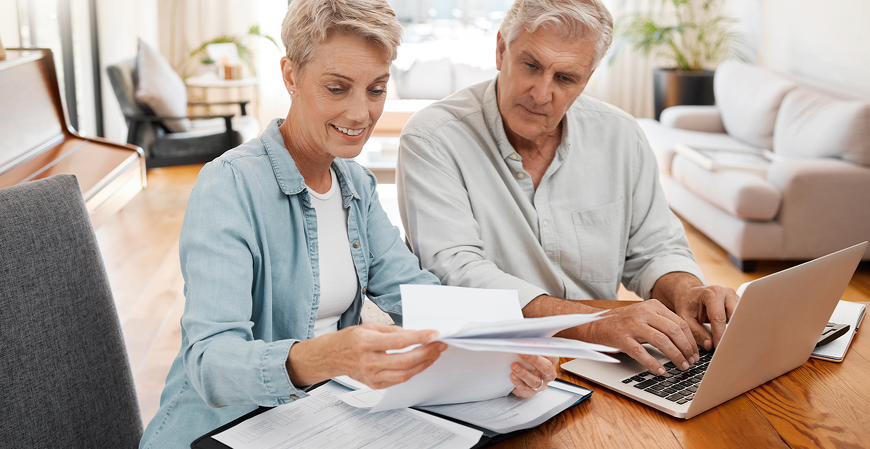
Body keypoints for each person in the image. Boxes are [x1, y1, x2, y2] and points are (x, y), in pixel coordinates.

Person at [139, 1, 555, 447]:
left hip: (316, 421)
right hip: (219, 433)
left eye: (376, 90)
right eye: (337, 88)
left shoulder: (354, 183)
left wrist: (503, 352)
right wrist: (327, 357)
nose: (360, 114)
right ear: (290, 75)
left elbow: (417, 293)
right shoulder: (230, 185)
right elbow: (210, 361)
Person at [397, 0, 740, 378]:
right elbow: (456, 272)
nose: (541, 94)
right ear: (500, 50)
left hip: (604, 358)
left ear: (587, 79)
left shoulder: (620, 135)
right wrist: (595, 323)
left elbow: (654, 249)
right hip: (491, 359)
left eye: (565, 78)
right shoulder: (433, 138)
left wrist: (687, 291)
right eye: (531, 65)